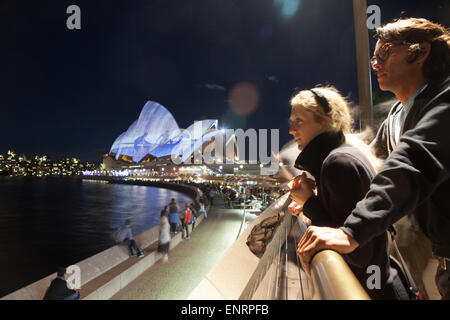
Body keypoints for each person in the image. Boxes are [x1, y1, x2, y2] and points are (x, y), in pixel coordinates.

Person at [296, 17, 450, 300]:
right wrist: (316, 196)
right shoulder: (396, 118)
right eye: (373, 56)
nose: (375, 62)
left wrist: (351, 231)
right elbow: (373, 168)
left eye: (385, 52)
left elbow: (411, 162)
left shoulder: (445, 101)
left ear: (421, 51)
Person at [287, 85, 408, 299]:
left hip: (372, 290)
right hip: (380, 282)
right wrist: (314, 203)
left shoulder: (337, 163)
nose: (291, 130)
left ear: (326, 121)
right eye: (292, 122)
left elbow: (358, 251)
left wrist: (309, 203)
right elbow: (344, 223)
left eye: (299, 121)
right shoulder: (343, 155)